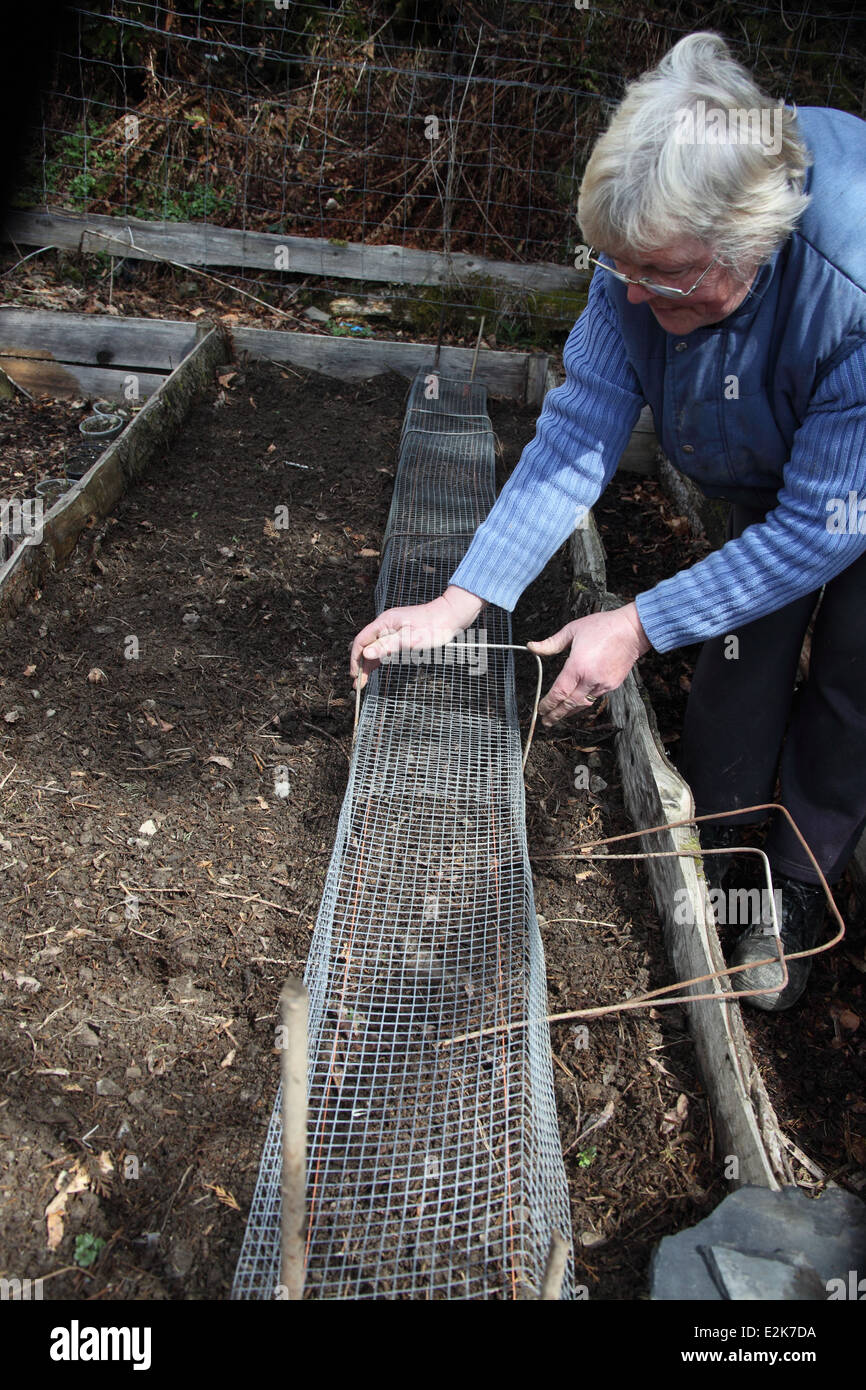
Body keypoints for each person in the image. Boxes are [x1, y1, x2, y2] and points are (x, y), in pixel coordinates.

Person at [350, 32, 866, 1013]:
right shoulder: (647, 242)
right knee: (734, 651)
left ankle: (795, 889)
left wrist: (630, 624)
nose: (628, 294)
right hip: (781, 455)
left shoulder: (846, 285)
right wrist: (464, 597)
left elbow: (819, 528)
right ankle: (722, 864)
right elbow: (574, 434)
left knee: (851, 673)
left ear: (746, 246)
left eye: (658, 277)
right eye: (613, 268)